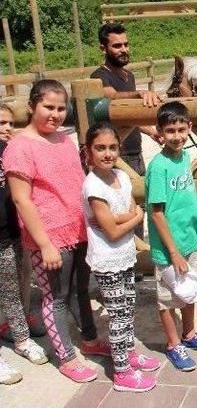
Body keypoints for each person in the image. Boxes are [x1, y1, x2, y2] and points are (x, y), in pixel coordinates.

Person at [3, 80, 107, 383]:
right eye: (49, 107)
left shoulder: (63, 139)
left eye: (61, 108)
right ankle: (65, 356)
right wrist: (44, 243)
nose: (56, 114)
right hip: (49, 236)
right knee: (54, 297)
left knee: (80, 291)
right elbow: (21, 199)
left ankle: (88, 339)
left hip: (78, 230)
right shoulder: (20, 147)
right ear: (33, 105)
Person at [82, 122, 160, 392]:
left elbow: (127, 212)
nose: (107, 153)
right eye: (100, 148)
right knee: (118, 316)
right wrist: (132, 218)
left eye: (112, 147)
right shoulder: (93, 185)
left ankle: (127, 352)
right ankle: (122, 372)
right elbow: (114, 231)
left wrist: (119, 219)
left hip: (126, 256)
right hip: (107, 259)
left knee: (128, 309)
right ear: (88, 152)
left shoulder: (122, 176)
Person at [145, 101, 197, 371]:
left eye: (181, 129)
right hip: (168, 248)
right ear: (159, 132)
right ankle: (173, 343)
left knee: (189, 290)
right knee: (167, 298)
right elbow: (156, 213)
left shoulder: (183, 157)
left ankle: (189, 334)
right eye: (169, 131)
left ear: (190, 127)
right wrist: (174, 253)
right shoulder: (158, 167)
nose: (176, 136)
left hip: (187, 238)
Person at [91, 22, 163, 266]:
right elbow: (109, 96)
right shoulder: (100, 76)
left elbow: (128, 115)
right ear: (104, 48)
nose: (123, 49)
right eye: (117, 45)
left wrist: (150, 130)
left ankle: (137, 260)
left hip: (134, 150)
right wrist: (138, 94)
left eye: (125, 44)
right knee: (119, 209)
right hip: (115, 156)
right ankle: (124, 261)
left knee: (137, 206)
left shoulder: (128, 75)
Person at [0, 104, 48, 386]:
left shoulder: (11, 152)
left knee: (12, 290)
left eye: (9, 123)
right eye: (1, 123)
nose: (6, 128)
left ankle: (20, 338)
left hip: (10, 234)